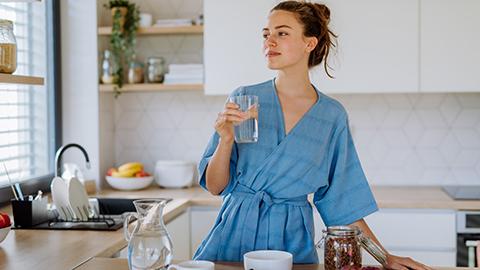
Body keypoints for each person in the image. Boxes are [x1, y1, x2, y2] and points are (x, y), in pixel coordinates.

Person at [193, 1, 431, 269]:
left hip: (291, 244)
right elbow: (215, 187)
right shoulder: (245, 99)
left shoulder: (331, 116)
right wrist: (225, 141)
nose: (269, 41)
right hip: (232, 239)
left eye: (281, 33)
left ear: (310, 43)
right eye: (265, 34)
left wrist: (384, 258)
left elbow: (342, 205)